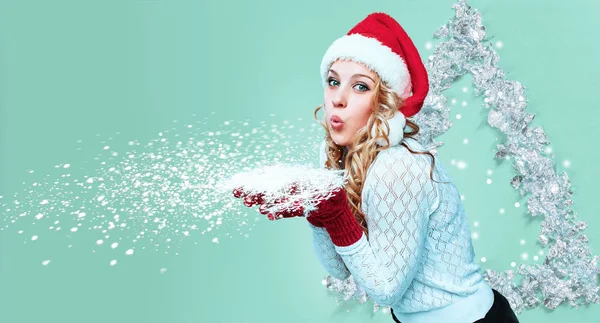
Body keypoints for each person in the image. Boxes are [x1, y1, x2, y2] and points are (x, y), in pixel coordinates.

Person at [234, 12, 520, 323]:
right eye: (333, 82)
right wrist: (317, 215)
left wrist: (336, 214)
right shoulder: (335, 154)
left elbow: (386, 291)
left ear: (384, 102)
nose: (338, 99)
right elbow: (339, 270)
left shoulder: (398, 168)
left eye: (360, 87)